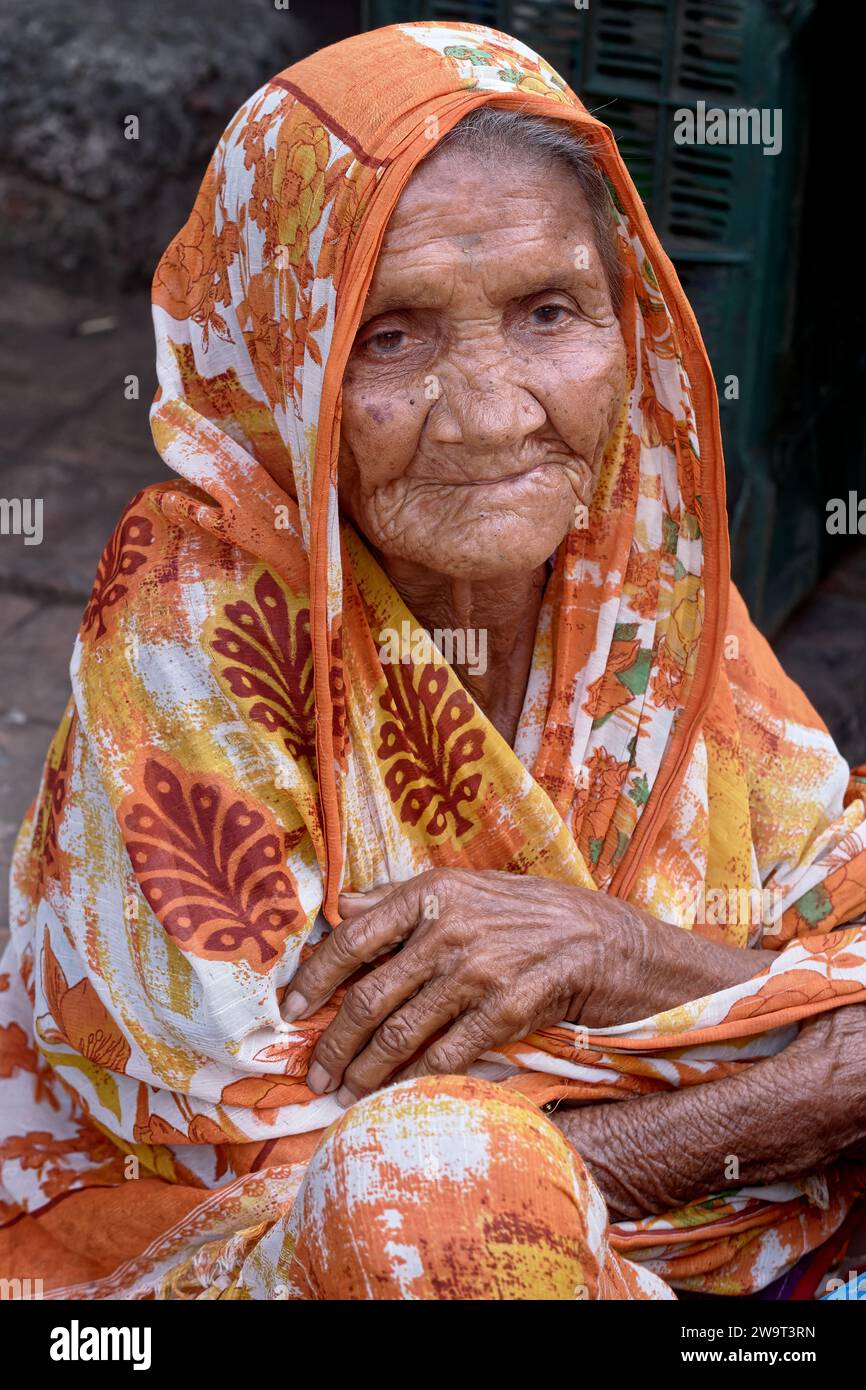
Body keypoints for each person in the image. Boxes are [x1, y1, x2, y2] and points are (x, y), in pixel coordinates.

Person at [2, 21, 865, 1301]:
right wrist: (799, 1086)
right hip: (225, 1265)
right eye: (390, 335)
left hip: (691, 1247)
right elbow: (332, 1170)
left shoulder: (631, 579)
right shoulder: (197, 630)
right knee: (438, 1182)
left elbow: (831, 906)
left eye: (547, 313)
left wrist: (616, 952)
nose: (492, 414)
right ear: (282, 366)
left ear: (626, 321)